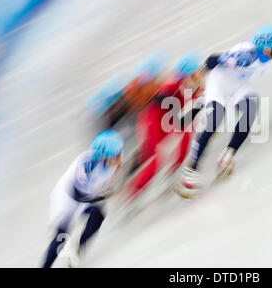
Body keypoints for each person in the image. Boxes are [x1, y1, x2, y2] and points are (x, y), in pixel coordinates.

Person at [179, 23, 272, 192]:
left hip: (237, 85)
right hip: (218, 84)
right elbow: (212, 60)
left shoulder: (271, 58)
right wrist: (198, 76)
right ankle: (191, 169)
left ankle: (228, 155)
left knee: (251, 109)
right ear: (266, 48)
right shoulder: (246, 55)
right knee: (214, 122)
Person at [126, 52, 207, 201]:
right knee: (156, 157)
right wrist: (199, 104)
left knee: (189, 128)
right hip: (153, 121)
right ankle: (131, 194)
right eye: (197, 71)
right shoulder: (172, 86)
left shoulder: (188, 84)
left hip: (165, 120)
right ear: (189, 73)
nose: (201, 74)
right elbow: (178, 116)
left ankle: (173, 171)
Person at [41, 129, 124, 268]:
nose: (120, 158)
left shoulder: (111, 164)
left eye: (120, 153)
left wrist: (106, 192)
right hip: (65, 198)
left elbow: (102, 187)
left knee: (98, 214)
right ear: (103, 155)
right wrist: (103, 196)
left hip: (85, 194)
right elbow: (77, 195)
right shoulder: (86, 163)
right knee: (61, 237)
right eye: (116, 155)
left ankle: (78, 252)